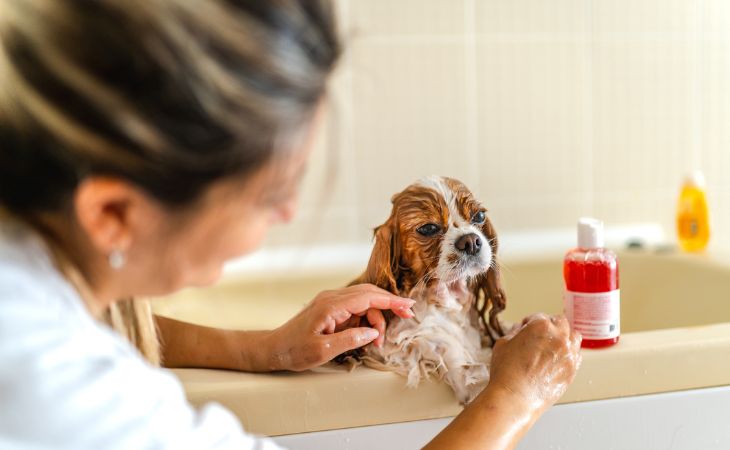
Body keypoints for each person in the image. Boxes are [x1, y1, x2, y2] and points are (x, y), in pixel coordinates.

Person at [0, 1, 582, 449]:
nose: (288, 214)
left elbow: (108, 321)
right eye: (272, 193)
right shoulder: (54, 382)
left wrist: (266, 350)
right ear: (113, 214)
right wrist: (514, 396)